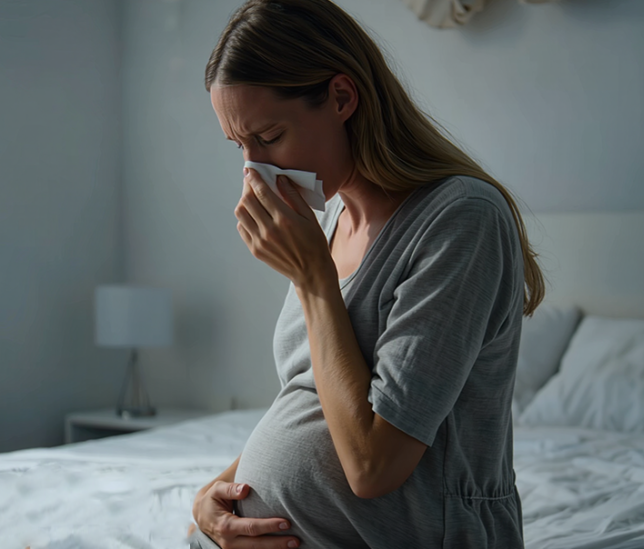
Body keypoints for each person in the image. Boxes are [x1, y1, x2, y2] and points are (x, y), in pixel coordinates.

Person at [186, 1, 545, 548]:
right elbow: (311, 401)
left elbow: (374, 467)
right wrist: (215, 494)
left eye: (270, 136)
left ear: (341, 98)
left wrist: (314, 281)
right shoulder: (329, 222)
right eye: (240, 145)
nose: (252, 169)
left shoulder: (462, 219)